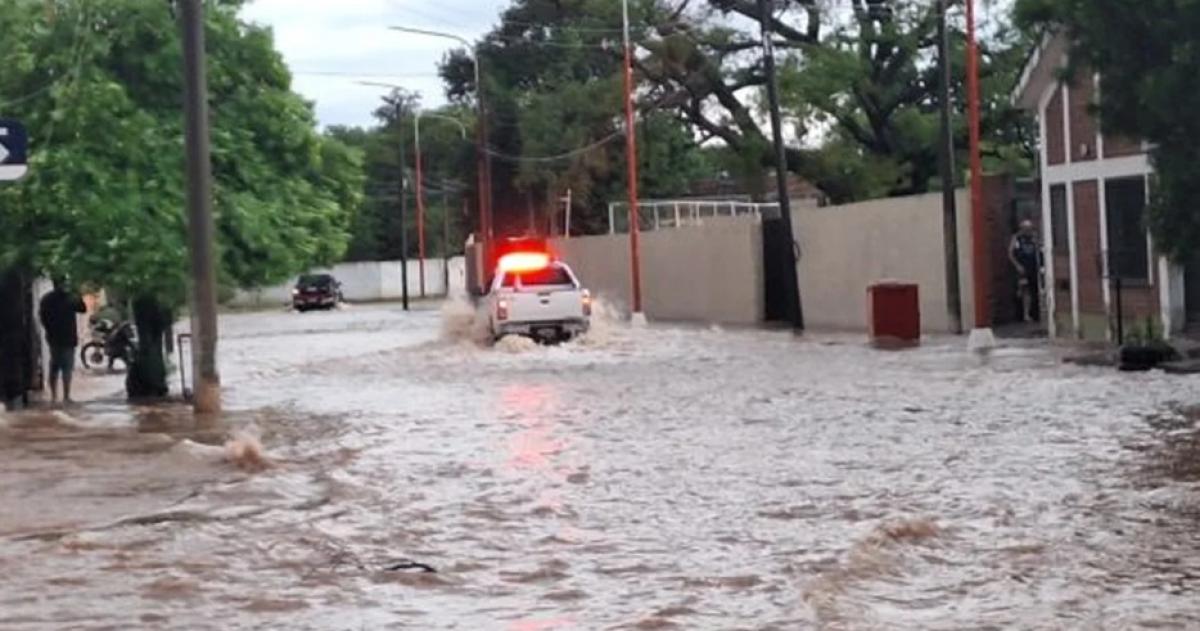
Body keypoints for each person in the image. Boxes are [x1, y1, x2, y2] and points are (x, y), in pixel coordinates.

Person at [38, 278, 86, 405]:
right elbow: (83, 308)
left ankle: (55, 397)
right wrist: (78, 293)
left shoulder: (46, 299)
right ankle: (65, 397)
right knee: (66, 367)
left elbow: (42, 318)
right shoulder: (70, 298)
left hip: (55, 338)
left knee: (55, 366)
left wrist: (49, 331)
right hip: (67, 338)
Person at [1008, 219, 1042, 323]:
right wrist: (1017, 265)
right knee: (1023, 291)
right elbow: (1010, 253)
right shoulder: (1017, 238)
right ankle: (1024, 314)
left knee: (1034, 290)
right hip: (1022, 268)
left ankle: (1035, 313)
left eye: (1029, 228)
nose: (1028, 231)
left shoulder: (1033, 237)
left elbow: (1039, 250)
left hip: (1033, 267)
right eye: (1025, 228)